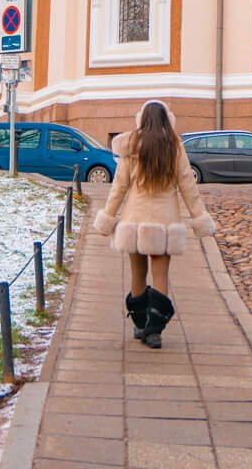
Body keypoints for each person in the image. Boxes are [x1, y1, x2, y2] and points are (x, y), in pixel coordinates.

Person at [91, 99, 214, 349]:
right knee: (161, 275)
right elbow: (188, 187)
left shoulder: (131, 146)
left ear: (141, 120)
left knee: (138, 273)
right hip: (164, 223)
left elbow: (120, 187)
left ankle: (139, 324)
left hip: (134, 221)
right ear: (168, 120)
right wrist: (199, 217)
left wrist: (108, 216)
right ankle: (154, 331)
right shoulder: (175, 147)